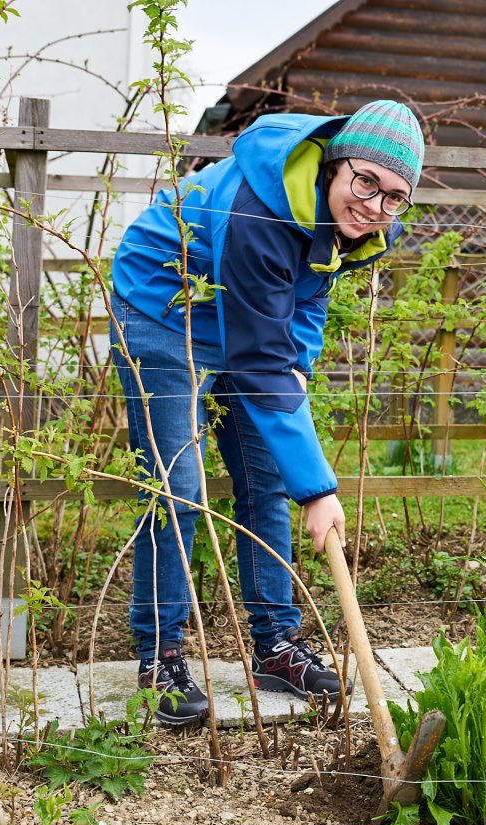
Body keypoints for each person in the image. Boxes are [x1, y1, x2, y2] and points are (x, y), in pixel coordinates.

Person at [109, 100, 425, 724]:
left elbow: (306, 297)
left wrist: (297, 370)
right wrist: (320, 488)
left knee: (266, 480)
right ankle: (160, 655)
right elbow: (258, 361)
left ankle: (275, 645)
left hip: (245, 320)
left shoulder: (358, 224)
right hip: (164, 309)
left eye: (395, 196)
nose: (374, 206)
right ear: (336, 165)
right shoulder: (261, 211)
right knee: (177, 484)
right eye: (366, 182)